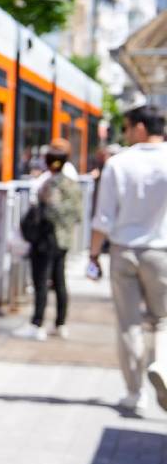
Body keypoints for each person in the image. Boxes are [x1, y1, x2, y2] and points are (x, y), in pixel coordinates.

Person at [90, 103, 167, 414]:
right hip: (162, 251)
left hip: (123, 250)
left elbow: (103, 218)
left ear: (139, 128)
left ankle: (134, 393)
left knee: (128, 324)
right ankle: (162, 363)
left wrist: (94, 255)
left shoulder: (119, 163)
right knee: (162, 320)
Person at [13, 138, 82, 341]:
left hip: (46, 240)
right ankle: (60, 323)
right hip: (64, 240)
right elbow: (77, 214)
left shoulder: (50, 184)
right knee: (60, 281)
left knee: (41, 282)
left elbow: (50, 211)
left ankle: (37, 324)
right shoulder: (72, 183)